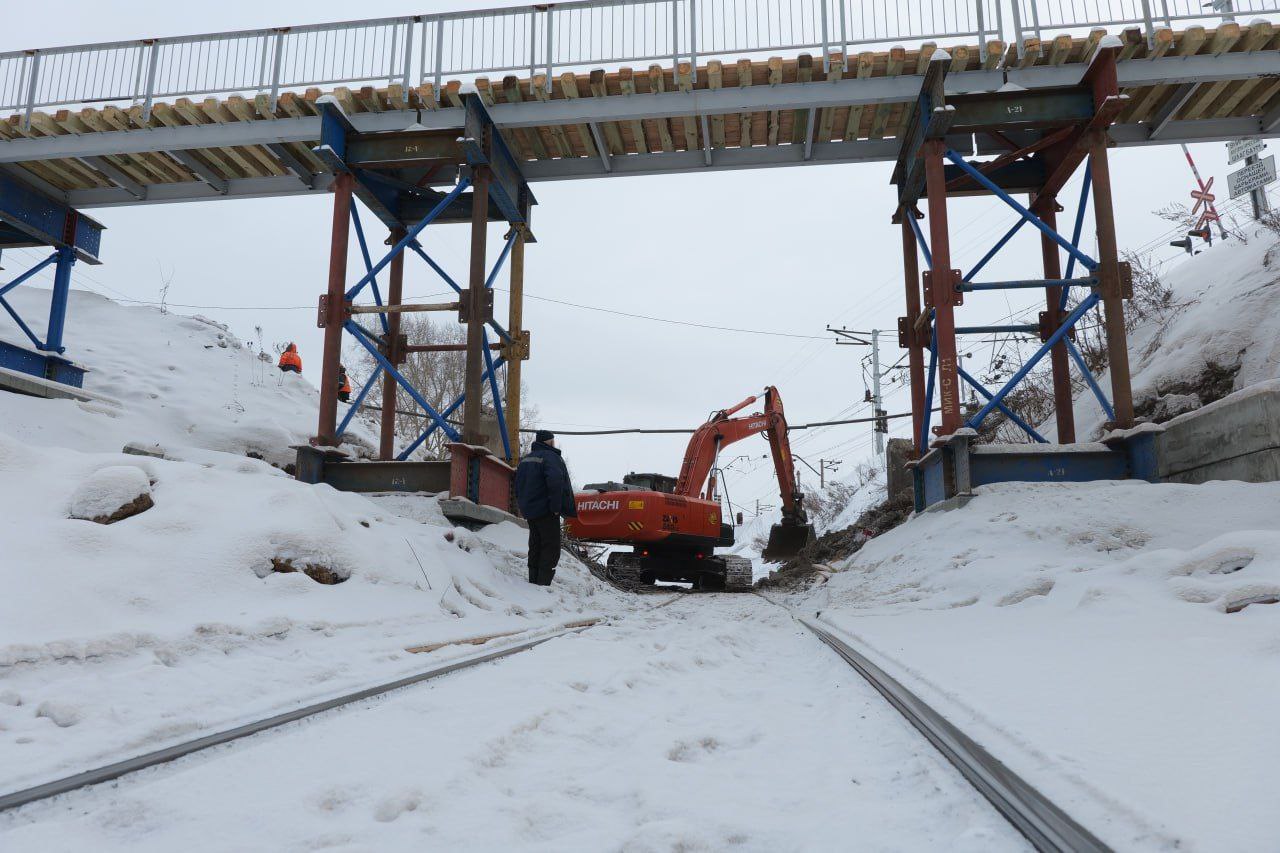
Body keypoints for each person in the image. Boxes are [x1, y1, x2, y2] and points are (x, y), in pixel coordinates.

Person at [514, 430, 577, 586]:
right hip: (547, 510)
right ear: (549, 441)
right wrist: (556, 507)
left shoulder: (525, 460)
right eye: (552, 440)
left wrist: (522, 506)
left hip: (531, 511)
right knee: (550, 546)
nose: (554, 442)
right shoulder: (552, 457)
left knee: (535, 545)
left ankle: (533, 581)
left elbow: (517, 485)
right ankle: (543, 584)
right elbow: (555, 483)